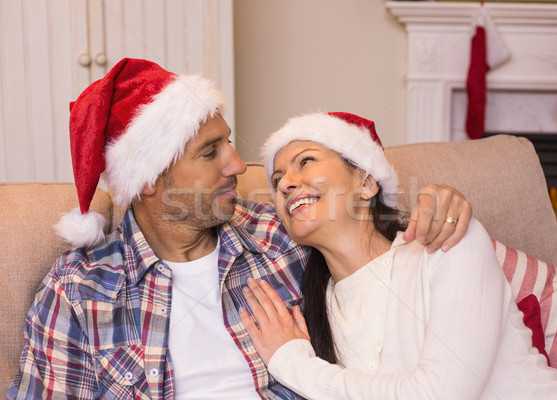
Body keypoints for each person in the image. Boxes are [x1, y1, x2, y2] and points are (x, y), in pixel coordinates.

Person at [7, 59, 471, 400]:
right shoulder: (80, 289)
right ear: (148, 182)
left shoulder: (282, 234)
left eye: (228, 141)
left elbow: (385, 249)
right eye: (210, 153)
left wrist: (440, 205)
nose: (237, 164)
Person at [239, 112, 557, 399]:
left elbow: (439, 394)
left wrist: (292, 363)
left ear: (367, 183)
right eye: (276, 180)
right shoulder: (316, 313)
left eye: (305, 162)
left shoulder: (446, 241)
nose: (285, 183)